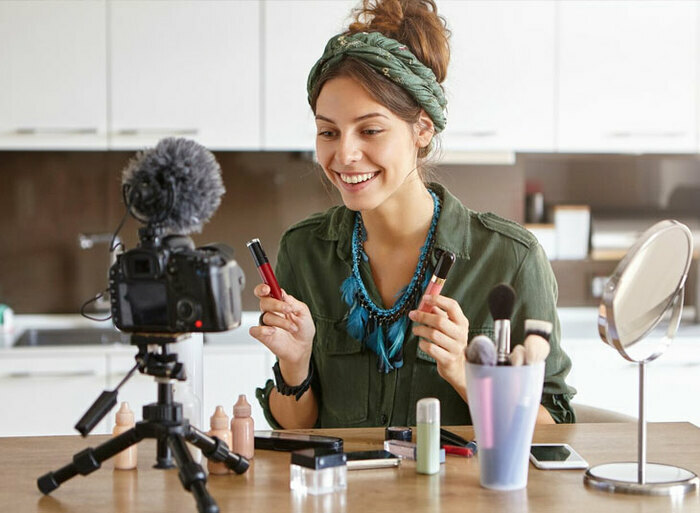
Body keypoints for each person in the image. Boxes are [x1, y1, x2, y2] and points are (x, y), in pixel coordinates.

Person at [251, 0, 575, 429]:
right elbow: (296, 428)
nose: (344, 154)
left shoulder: (511, 259)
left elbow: (554, 431)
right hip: (343, 495)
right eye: (328, 131)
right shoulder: (304, 250)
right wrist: (295, 365)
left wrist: (464, 370)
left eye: (370, 130)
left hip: (462, 497)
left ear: (422, 129)